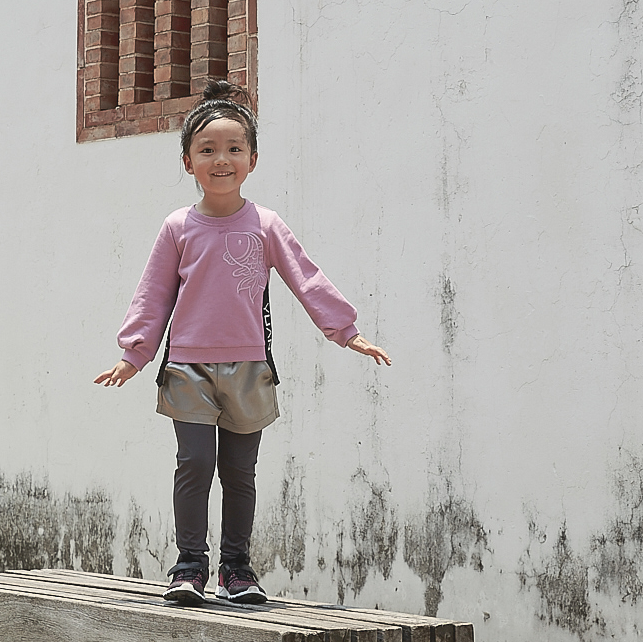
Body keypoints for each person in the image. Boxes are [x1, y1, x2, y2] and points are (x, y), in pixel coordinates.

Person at [94, 79, 391, 607]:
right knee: (194, 464)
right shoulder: (177, 227)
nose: (221, 159)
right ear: (188, 161)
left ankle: (237, 569)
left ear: (252, 158)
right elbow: (154, 295)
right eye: (207, 150)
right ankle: (188, 567)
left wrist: (347, 331)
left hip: (250, 368)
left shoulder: (266, 224)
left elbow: (306, 278)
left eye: (234, 148)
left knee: (239, 471)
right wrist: (133, 354)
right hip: (187, 368)